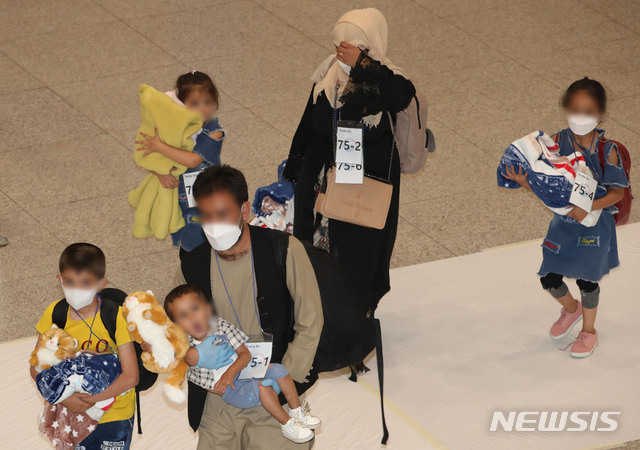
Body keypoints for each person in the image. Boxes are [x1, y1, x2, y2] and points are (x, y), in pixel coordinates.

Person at [175, 164, 324, 449]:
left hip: (274, 389)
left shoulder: (285, 250)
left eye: (222, 214)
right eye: (206, 216)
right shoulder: (192, 264)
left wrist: (283, 381)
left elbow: (310, 320)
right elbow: (175, 327)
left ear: (244, 210)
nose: (214, 225)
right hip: (218, 396)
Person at [283, 8, 415, 327]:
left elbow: (400, 96)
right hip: (321, 174)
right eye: (340, 45)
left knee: (357, 251)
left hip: (364, 179)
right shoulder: (327, 74)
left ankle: (356, 316)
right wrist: (296, 163)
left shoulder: (384, 78)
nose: (344, 53)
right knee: (310, 243)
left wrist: (364, 65)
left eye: (355, 47)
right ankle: (315, 311)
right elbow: (308, 119)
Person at [503, 77, 629, 358]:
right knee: (548, 277)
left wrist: (590, 206)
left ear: (600, 113)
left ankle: (589, 331)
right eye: (574, 109)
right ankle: (571, 311)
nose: (580, 117)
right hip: (564, 225)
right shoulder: (557, 142)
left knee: (587, 280)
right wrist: (527, 182)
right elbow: (549, 183)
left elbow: (619, 193)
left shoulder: (607, 151)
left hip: (594, 227)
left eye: (588, 111)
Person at [164, 284, 321, 443]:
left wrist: (230, 373)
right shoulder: (184, 347)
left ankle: (297, 411)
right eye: (183, 315)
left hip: (244, 370)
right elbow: (164, 354)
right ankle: (287, 423)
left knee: (280, 370)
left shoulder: (221, 326)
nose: (192, 317)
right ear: (177, 325)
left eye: (195, 308)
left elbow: (245, 354)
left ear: (206, 308)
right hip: (231, 389)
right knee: (262, 387)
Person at [30, 243, 139, 449]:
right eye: (69, 282)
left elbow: (131, 376)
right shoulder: (55, 313)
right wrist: (66, 399)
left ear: (101, 284)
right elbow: (37, 368)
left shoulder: (115, 316)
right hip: (70, 414)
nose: (76, 289)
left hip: (114, 414)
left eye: (85, 283)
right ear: (59, 280)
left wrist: (90, 400)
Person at [136, 70, 225, 251]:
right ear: (180, 105)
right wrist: (160, 173)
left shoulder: (214, 131)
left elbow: (192, 160)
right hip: (181, 198)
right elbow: (152, 160)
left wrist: (159, 146)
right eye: (194, 103)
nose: (203, 108)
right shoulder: (176, 131)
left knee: (206, 240)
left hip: (209, 196)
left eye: (208, 102)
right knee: (186, 242)